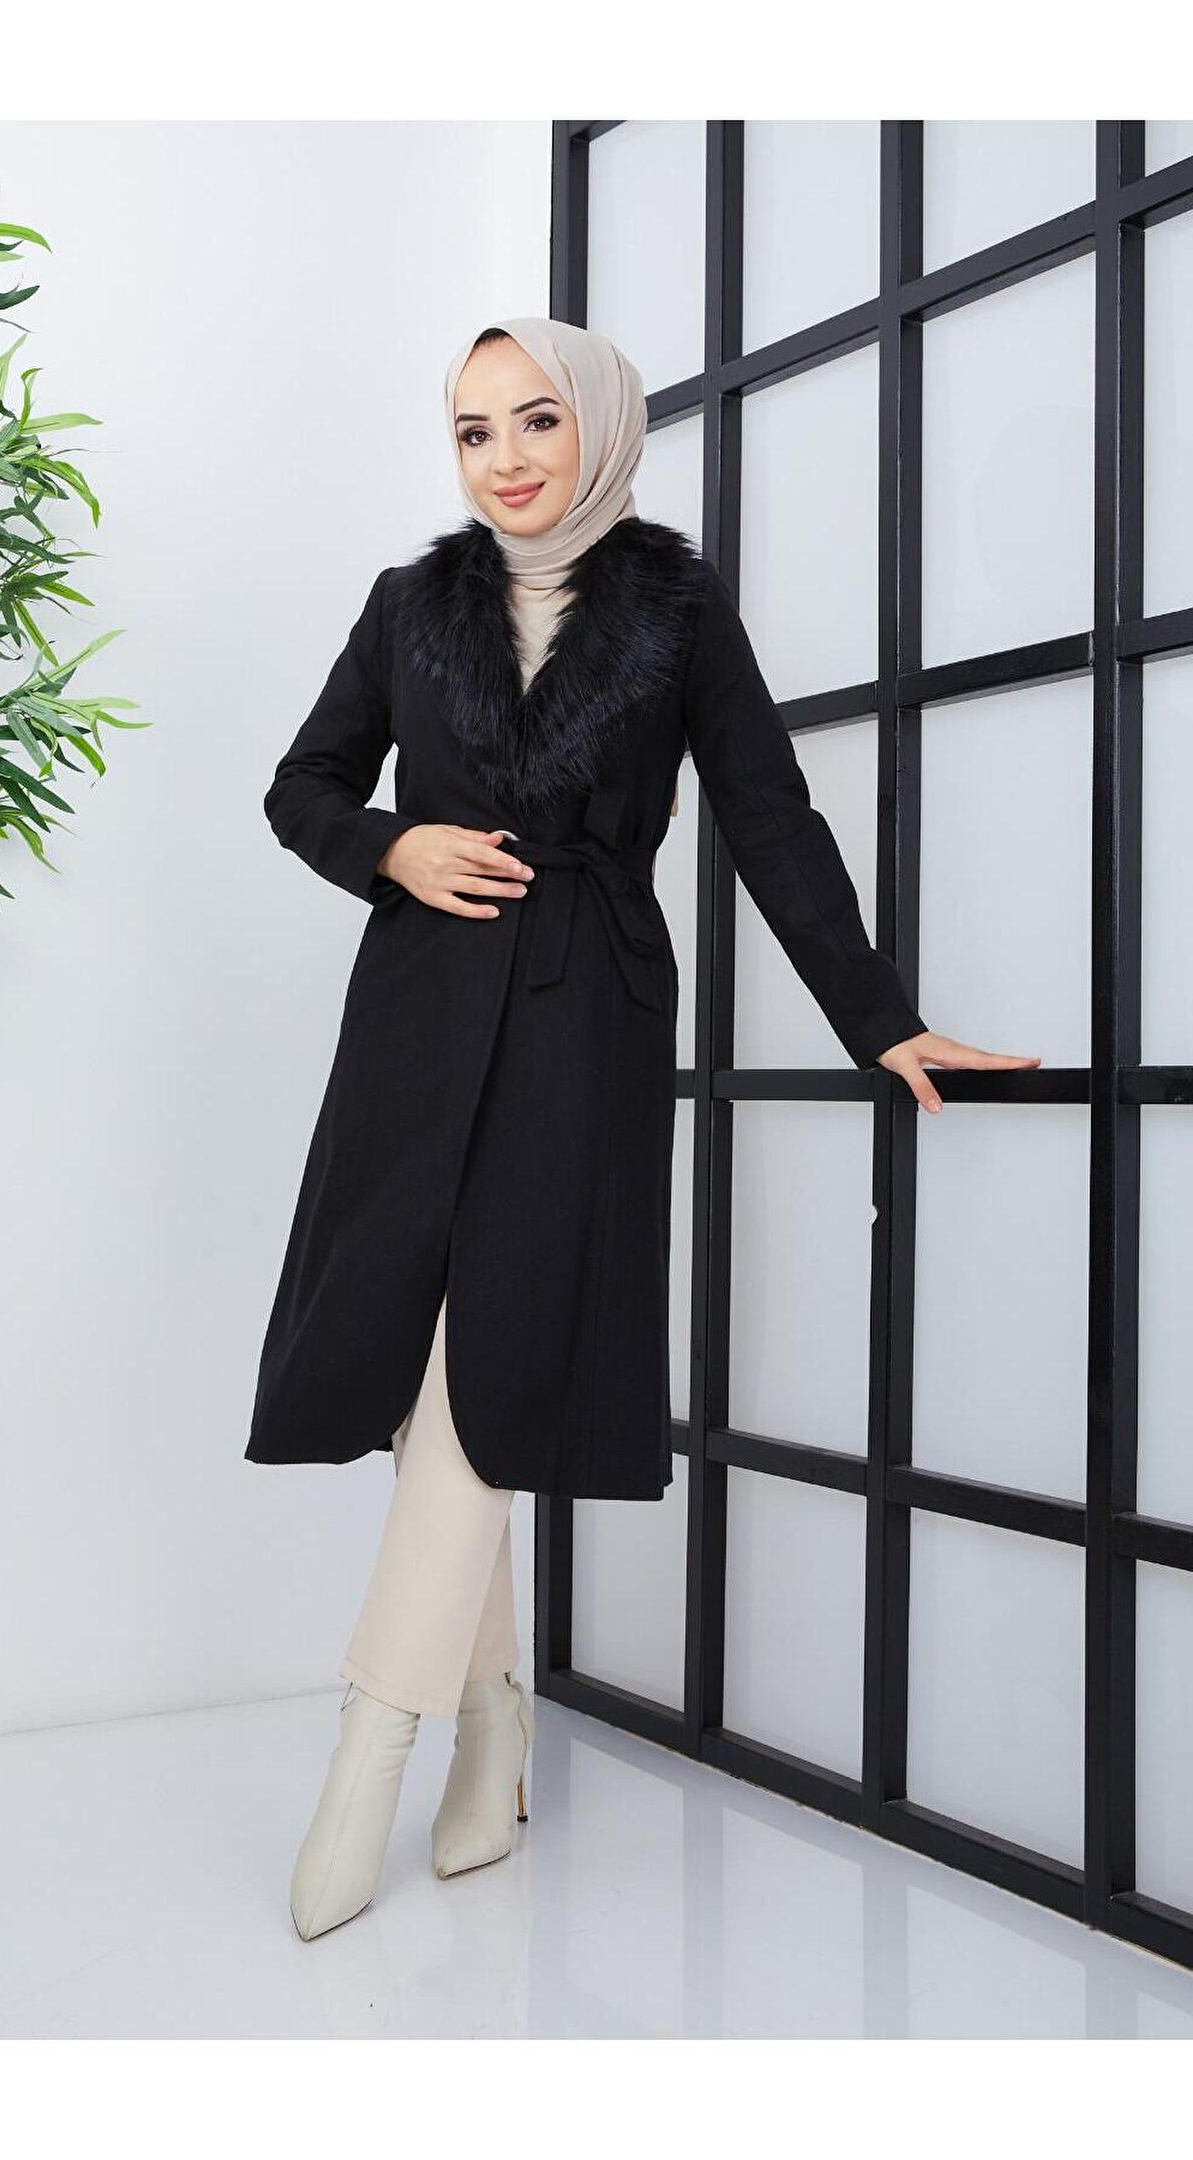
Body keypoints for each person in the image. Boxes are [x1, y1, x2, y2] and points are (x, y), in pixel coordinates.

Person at [246, 316, 1040, 1942]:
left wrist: (880, 1018)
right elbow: (302, 786)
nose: (505, 459)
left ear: (601, 426)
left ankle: (365, 1758)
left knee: (495, 1359)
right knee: (424, 1369)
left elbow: (769, 815)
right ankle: (495, 1728)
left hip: (583, 1016)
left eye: (536, 420)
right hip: (415, 1017)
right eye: (473, 431)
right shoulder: (410, 607)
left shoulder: (675, 614)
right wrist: (391, 848)